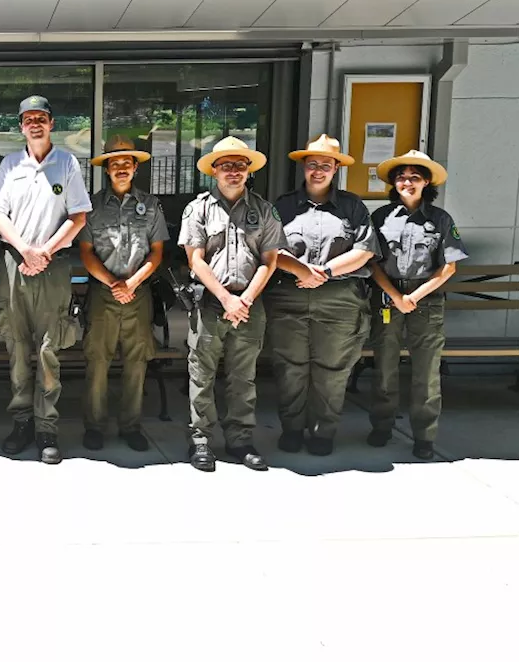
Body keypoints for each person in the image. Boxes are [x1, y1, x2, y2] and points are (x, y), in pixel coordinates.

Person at [0, 95, 91, 465]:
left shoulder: (66, 163)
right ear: (21, 126)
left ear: (51, 123)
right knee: (17, 348)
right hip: (15, 265)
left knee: (49, 350)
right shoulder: (10, 164)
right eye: (28, 119)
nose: (35, 124)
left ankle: (47, 428)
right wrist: (24, 250)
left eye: (41, 118)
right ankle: (22, 423)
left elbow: (77, 217)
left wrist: (44, 251)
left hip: (54, 267)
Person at [179, 136, 287, 473]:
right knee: (202, 375)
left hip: (249, 304)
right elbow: (195, 260)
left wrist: (245, 299)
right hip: (211, 303)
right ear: (214, 170)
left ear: (248, 171)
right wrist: (226, 298)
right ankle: (201, 441)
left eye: (240, 165)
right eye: (226, 165)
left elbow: (269, 261)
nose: (233, 171)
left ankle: (241, 440)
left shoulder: (264, 210)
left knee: (244, 377)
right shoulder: (198, 209)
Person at [267, 135, 379, 456]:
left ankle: (323, 432)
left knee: (332, 370)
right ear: (304, 167)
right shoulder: (283, 205)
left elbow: (364, 251)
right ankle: (291, 429)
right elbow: (271, 247)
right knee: (291, 367)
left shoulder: (352, 207)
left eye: (325, 165)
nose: (318, 171)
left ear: (335, 169)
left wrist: (324, 273)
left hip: (339, 299)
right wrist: (304, 272)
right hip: (290, 294)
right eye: (313, 164)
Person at [367, 150, 467, 461]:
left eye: (414, 177)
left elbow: (448, 267)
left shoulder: (440, 219)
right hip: (388, 297)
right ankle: (382, 426)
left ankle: (424, 436)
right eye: (401, 176)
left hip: (426, 302)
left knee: (426, 373)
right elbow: (372, 263)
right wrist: (397, 297)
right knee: (384, 367)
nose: (406, 181)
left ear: (426, 182)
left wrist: (415, 296)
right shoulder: (381, 218)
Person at [77, 137, 167, 453]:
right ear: (107, 169)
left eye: (126, 163)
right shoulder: (91, 206)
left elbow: (157, 253)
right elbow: (86, 252)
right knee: (97, 361)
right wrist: (113, 283)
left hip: (139, 294)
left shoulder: (151, 205)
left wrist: (132, 283)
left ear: (135, 167)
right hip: (103, 294)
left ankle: (131, 425)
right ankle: (94, 426)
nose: (121, 168)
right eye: (114, 164)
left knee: (136, 361)